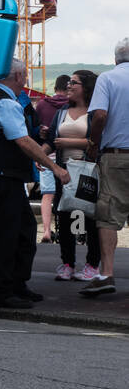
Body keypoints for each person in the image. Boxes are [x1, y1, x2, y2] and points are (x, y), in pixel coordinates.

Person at [0, 58, 69, 309]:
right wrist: (54, 166)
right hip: (2, 178)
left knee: (24, 231)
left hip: (5, 177)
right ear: (18, 77)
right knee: (7, 235)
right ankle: (3, 291)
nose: (26, 80)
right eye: (25, 75)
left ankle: (16, 284)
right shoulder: (5, 102)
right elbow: (23, 141)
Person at [80, 38, 129, 297]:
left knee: (109, 214)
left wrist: (94, 143)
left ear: (115, 58)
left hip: (116, 155)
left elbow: (99, 116)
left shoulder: (108, 79)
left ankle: (107, 273)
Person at [43, 70, 101, 280]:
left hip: (86, 172)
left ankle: (92, 264)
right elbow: (51, 140)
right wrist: (40, 157)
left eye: (73, 82)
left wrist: (69, 143)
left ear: (85, 87)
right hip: (64, 173)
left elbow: (99, 142)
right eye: (68, 82)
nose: (68, 85)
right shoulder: (61, 113)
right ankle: (67, 263)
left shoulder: (95, 113)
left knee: (90, 218)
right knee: (64, 217)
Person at [36, 74, 70, 144]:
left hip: (45, 146)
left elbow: (36, 127)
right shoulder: (74, 105)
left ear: (54, 89)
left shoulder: (41, 104)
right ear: (69, 89)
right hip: (67, 145)